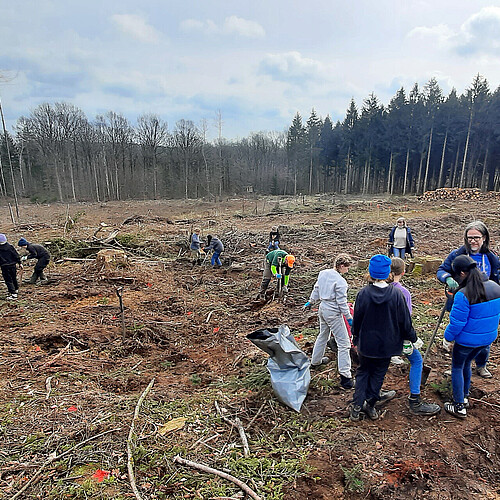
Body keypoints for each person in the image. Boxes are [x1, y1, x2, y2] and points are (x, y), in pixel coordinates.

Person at [350, 254, 416, 422]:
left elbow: (356, 319)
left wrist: (356, 338)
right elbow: (405, 321)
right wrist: (411, 337)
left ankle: (356, 407)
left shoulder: (363, 294)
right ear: (388, 274)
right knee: (378, 375)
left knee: (363, 373)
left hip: (366, 344)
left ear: (370, 273)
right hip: (387, 345)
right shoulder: (396, 295)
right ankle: (371, 406)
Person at [437, 220, 500, 378]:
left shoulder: (490, 257)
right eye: (470, 237)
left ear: (484, 238)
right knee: (461, 332)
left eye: (476, 237)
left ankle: (481, 365)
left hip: (485, 304)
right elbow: (442, 270)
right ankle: (458, 365)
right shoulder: (458, 254)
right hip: (462, 301)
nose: (473, 240)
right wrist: (447, 279)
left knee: (484, 336)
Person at [442, 255, 500, 418]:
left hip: (467, 341)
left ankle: (459, 406)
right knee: (466, 363)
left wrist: (447, 338)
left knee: (457, 367)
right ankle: (465, 396)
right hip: (487, 339)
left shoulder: (464, 294)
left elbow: (457, 323)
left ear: (461, 273)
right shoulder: (495, 287)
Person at [389, 257, 440, 416]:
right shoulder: (403, 292)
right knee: (417, 360)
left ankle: (372, 395)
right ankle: (415, 400)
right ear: (403, 272)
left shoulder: (379, 288)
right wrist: (411, 339)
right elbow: (407, 319)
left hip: (381, 337)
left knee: (380, 363)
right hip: (399, 337)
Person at [303, 253, 354, 389]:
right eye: (347, 268)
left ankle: (315, 361)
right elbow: (342, 302)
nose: (347, 271)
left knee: (323, 334)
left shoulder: (323, 273)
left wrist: (311, 301)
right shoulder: (341, 282)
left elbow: (317, 288)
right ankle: (346, 378)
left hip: (322, 308)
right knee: (344, 343)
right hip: (333, 312)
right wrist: (349, 318)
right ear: (341, 266)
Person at [0, 234, 22, 300]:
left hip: (4, 266)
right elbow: (16, 255)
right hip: (13, 265)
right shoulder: (10, 247)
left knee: (8, 280)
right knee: (13, 277)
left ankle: (13, 294)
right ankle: (16, 289)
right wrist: (20, 263)